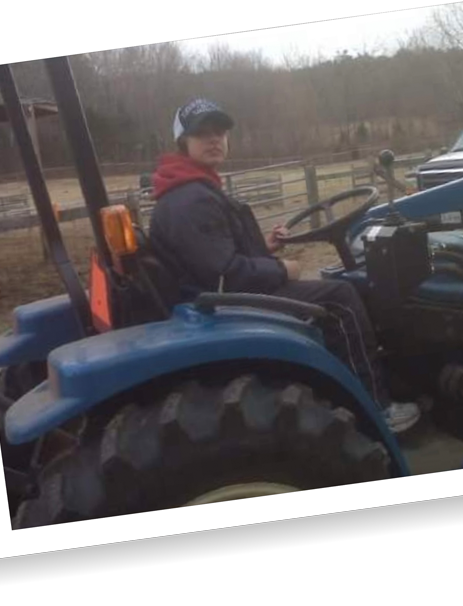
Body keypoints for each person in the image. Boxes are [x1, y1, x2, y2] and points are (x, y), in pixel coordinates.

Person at [148, 98, 420, 434]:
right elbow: (225, 275)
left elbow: (212, 254)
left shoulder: (191, 188)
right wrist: (282, 269)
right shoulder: (191, 199)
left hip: (216, 295)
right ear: (183, 142)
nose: (214, 139)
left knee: (331, 286)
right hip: (222, 305)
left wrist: (263, 248)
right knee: (342, 296)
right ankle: (377, 408)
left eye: (219, 131)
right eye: (202, 133)